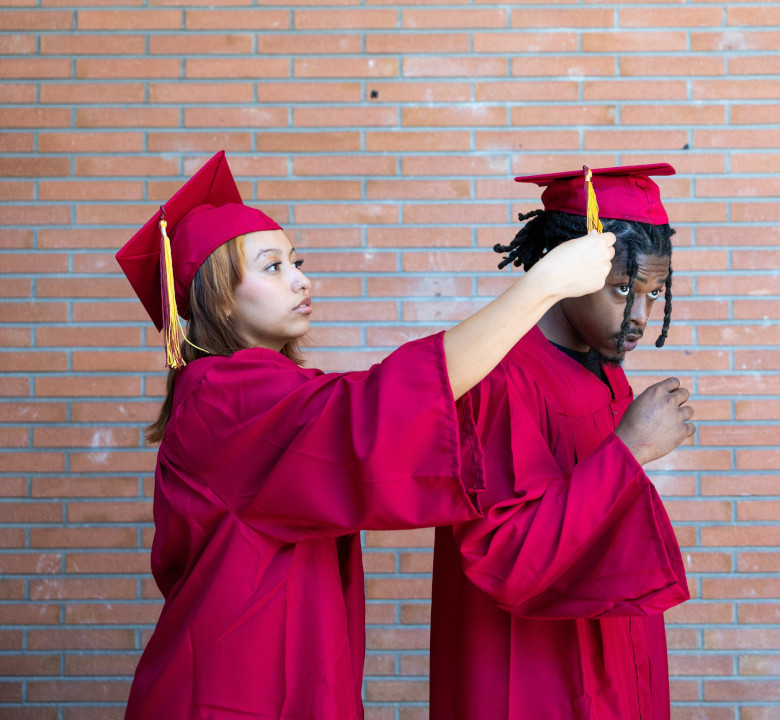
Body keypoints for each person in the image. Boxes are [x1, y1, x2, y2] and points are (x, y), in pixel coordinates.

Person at [114, 151, 619, 719]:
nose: (303, 279)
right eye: (272, 267)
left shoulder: (270, 390)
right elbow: (376, 411)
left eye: (295, 261)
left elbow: (376, 413)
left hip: (289, 678)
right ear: (218, 297)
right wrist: (543, 286)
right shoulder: (221, 398)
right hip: (229, 694)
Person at [430, 165, 694, 720]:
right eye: (623, 289)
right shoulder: (498, 378)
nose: (640, 317)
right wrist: (629, 449)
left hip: (616, 650)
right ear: (569, 268)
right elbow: (507, 554)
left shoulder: (603, 368)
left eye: (653, 293)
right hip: (535, 670)